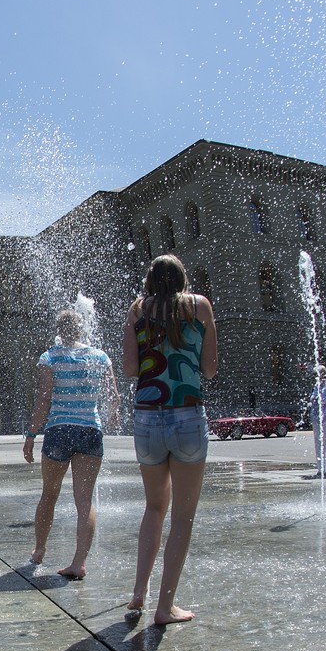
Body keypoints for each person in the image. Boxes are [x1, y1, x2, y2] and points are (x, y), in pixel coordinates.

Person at [123, 254, 218, 626]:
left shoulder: (136, 310)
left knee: (153, 508)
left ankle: (138, 593)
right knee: (182, 517)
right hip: (188, 416)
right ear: (182, 278)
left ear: (150, 280)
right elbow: (210, 369)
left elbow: (131, 369)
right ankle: (165, 607)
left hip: (147, 419)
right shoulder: (199, 307)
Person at [23, 309, 118, 580]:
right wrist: (108, 421)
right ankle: (78, 563)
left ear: (59, 329)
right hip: (90, 430)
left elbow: (44, 398)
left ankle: (39, 550)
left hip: (59, 430)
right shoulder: (100, 357)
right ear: (81, 328)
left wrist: (31, 435)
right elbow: (114, 397)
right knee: (84, 500)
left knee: (49, 495)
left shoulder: (50, 357)